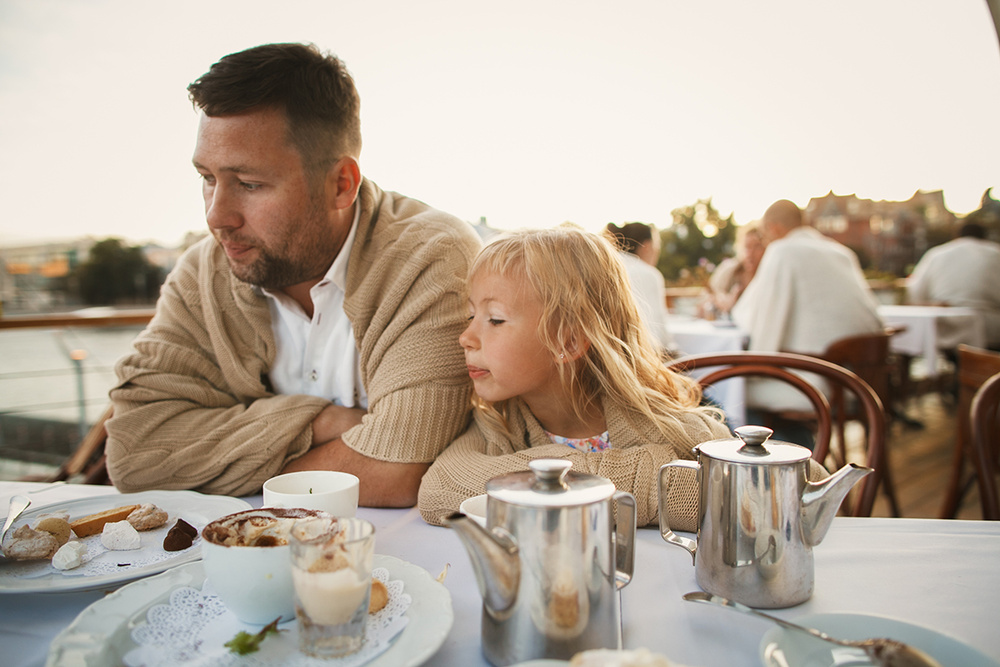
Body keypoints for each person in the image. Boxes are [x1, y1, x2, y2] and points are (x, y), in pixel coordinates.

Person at [105, 43, 482, 506]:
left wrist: (222, 459)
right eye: (207, 178)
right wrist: (321, 422)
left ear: (341, 184)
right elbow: (135, 454)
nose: (217, 216)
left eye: (249, 184)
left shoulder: (431, 257)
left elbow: (397, 472)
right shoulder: (203, 270)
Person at [418, 226, 763, 530]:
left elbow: (763, 492)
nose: (466, 336)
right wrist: (650, 483)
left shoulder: (662, 425)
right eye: (470, 314)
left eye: (494, 319)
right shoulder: (500, 422)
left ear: (567, 342)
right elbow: (441, 487)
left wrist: (546, 482)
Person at [732, 199, 885, 418]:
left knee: (727, 388)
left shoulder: (782, 251)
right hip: (862, 383)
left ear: (773, 228)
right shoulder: (841, 252)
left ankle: (788, 449)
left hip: (818, 388)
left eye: (764, 237)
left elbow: (758, 325)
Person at [907, 222, 1000, 349]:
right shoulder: (995, 253)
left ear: (956, 237)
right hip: (990, 330)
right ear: (984, 237)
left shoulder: (936, 253)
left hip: (946, 326)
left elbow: (914, 292)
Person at [605, 222, 678, 356]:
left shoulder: (606, 267)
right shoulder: (648, 274)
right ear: (647, 247)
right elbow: (658, 329)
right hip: (642, 356)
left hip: (610, 354)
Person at [701, 223, 766, 318]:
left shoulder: (768, 275)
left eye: (757, 247)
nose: (750, 253)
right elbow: (703, 303)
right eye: (747, 247)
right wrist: (719, 301)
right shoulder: (729, 270)